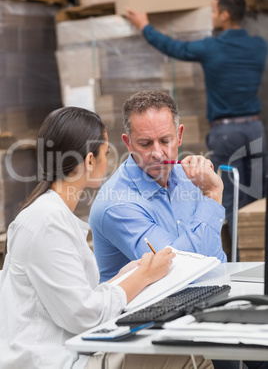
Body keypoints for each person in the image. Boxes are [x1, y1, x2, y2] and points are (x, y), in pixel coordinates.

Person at [0, 106, 213, 369]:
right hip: (58, 361)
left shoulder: (50, 215)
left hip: (72, 350)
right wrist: (143, 276)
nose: (109, 160)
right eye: (106, 152)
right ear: (90, 161)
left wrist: (124, 275)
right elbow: (84, 315)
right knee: (194, 358)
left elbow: (75, 297)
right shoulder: (46, 222)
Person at [125, 0, 267, 240]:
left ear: (224, 15)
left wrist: (144, 26)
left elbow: (173, 47)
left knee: (230, 199)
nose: (211, 17)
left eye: (212, 11)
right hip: (256, 130)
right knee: (258, 199)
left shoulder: (212, 47)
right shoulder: (259, 46)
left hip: (226, 134)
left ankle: (237, 261)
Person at [90, 90, 226, 283]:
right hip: (146, 308)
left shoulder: (190, 177)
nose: (157, 153)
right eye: (145, 143)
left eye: (165, 141)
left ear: (179, 137)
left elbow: (216, 258)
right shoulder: (116, 204)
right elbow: (178, 270)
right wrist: (212, 195)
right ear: (128, 144)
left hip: (202, 291)